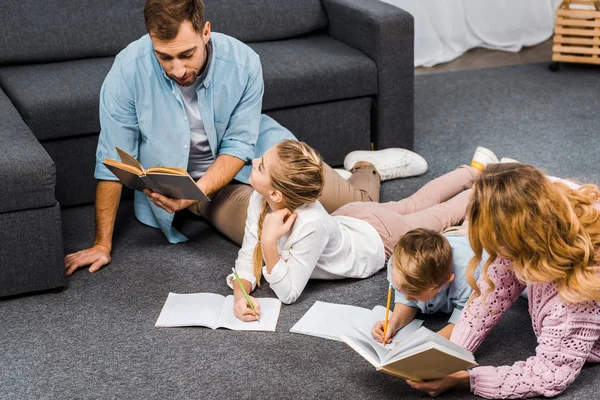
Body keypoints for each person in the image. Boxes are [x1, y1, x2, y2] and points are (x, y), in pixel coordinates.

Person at [63, 0, 428, 276]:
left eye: (186, 54)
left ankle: (365, 166)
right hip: (204, 187)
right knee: (284, 238)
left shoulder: (244, 63)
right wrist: (102, 243)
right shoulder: (127, 70)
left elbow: (238, 146)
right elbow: (113, 157)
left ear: (205, 32)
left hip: (257, 154)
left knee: (352, 201)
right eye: (164, 57)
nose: (177, 69)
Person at [230, 140, 482, 321]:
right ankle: (473, 172)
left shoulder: (310, 224)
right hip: (353, 217)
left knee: (439, 215)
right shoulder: (259, 199)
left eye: (260, 165)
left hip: (380, 239)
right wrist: (239, 295)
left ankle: (487, 186)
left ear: (276, 193)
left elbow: (288, 293)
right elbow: (247, 256)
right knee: (417, 203)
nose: (254, 161)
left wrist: (269, 242)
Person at [406, 163, 600, 398]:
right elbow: (493, 291)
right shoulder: (542, 214)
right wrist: (451, 354)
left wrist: (465, 380)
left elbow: (548, 375)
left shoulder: (573, 295)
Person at [371, 227, 487, 342]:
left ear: (445, 282)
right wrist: (393, 323)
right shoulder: (396, 264)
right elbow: (407, 301)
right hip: (450, 235)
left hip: (478, 240)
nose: (406, 297)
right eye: (402, 290)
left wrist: (424, 342)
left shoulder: (471, 279)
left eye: (414, 293)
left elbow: (465, 323)